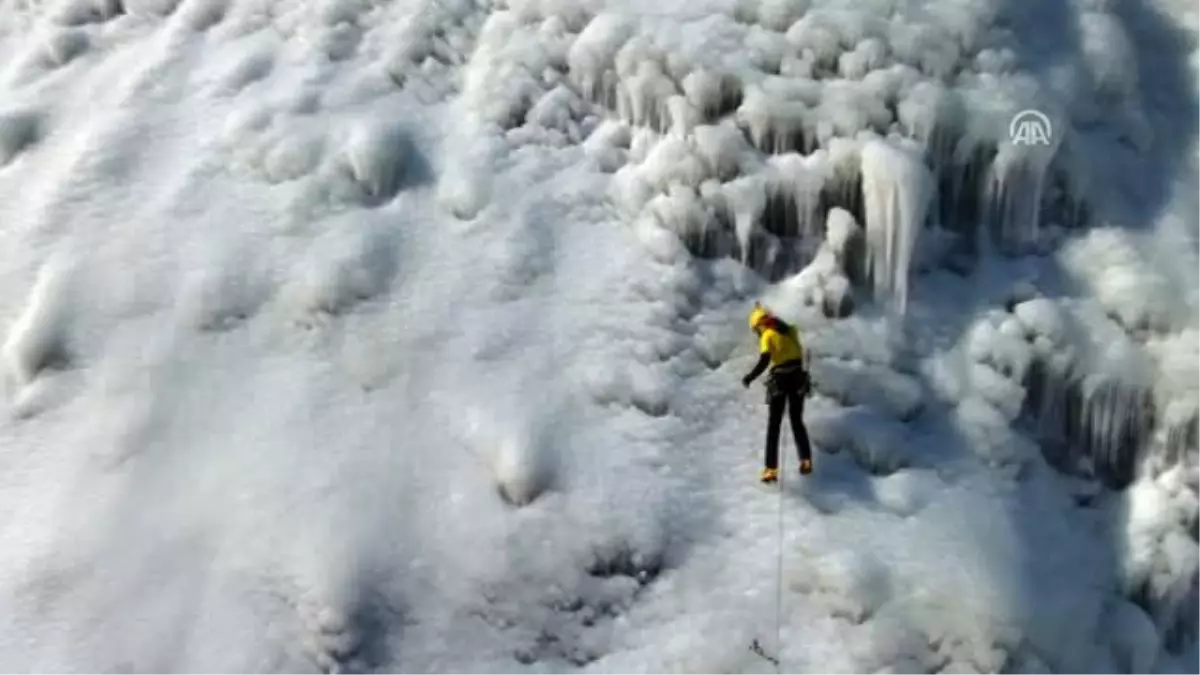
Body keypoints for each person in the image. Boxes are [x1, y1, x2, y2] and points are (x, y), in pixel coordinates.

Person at [742, 302, 813, 483]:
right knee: (796, 421)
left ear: (759, 325)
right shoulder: (790, 331)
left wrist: (750, 377)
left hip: (780, 380)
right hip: (798, 378)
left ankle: (771, 469)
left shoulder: (767, 335)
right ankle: (805, 459)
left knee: (774, 426)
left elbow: (765, 359)